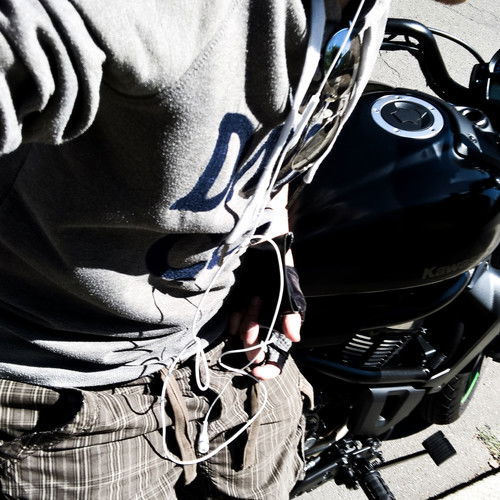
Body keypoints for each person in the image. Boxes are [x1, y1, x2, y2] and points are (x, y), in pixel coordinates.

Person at [0, 0, 464, 498]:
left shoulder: (358, 9)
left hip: (216, 339)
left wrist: (271, 239)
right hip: (61, 380)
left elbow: (276, 148)